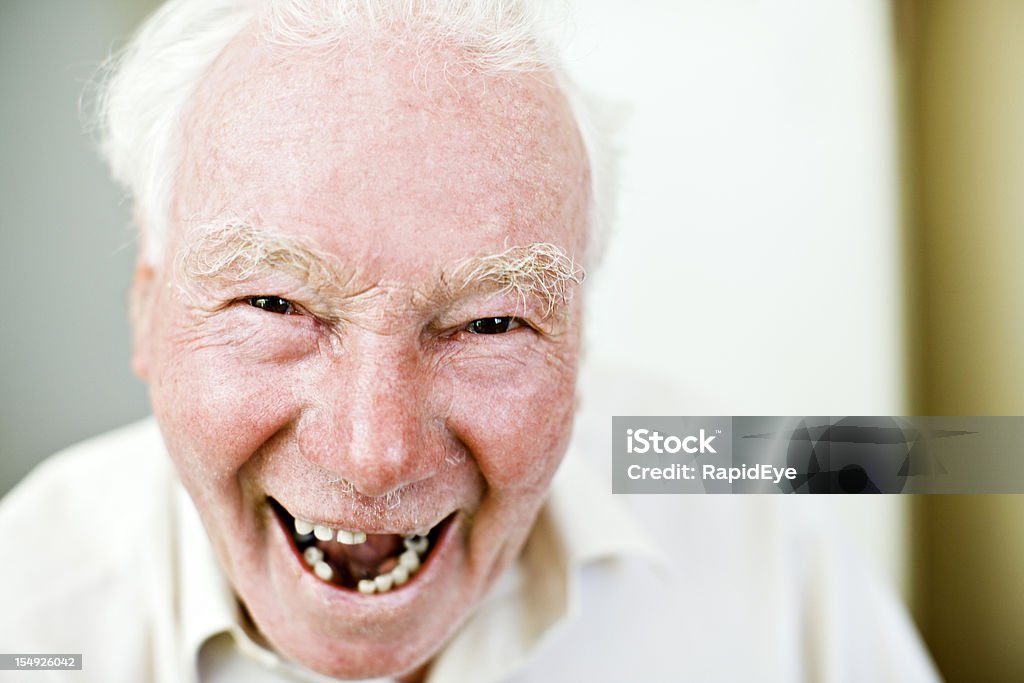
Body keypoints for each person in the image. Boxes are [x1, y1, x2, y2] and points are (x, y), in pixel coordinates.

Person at [0, 1, 940, 681]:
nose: (375, 455)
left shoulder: (755, 517)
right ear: (148, 317)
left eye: (490, 322)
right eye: (276, 305)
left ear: (576, 345)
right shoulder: (31, 612)